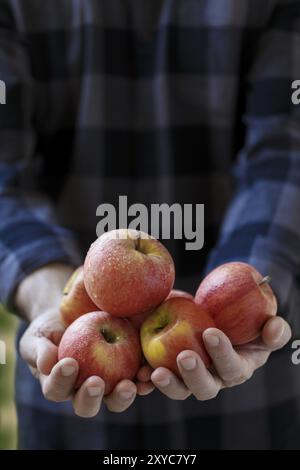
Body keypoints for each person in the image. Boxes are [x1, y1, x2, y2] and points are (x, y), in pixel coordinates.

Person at [0, 0, 299, 450]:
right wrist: (51, 295)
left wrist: (244, 306)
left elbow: (287, 152)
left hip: (245, 398)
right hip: (71, 375)